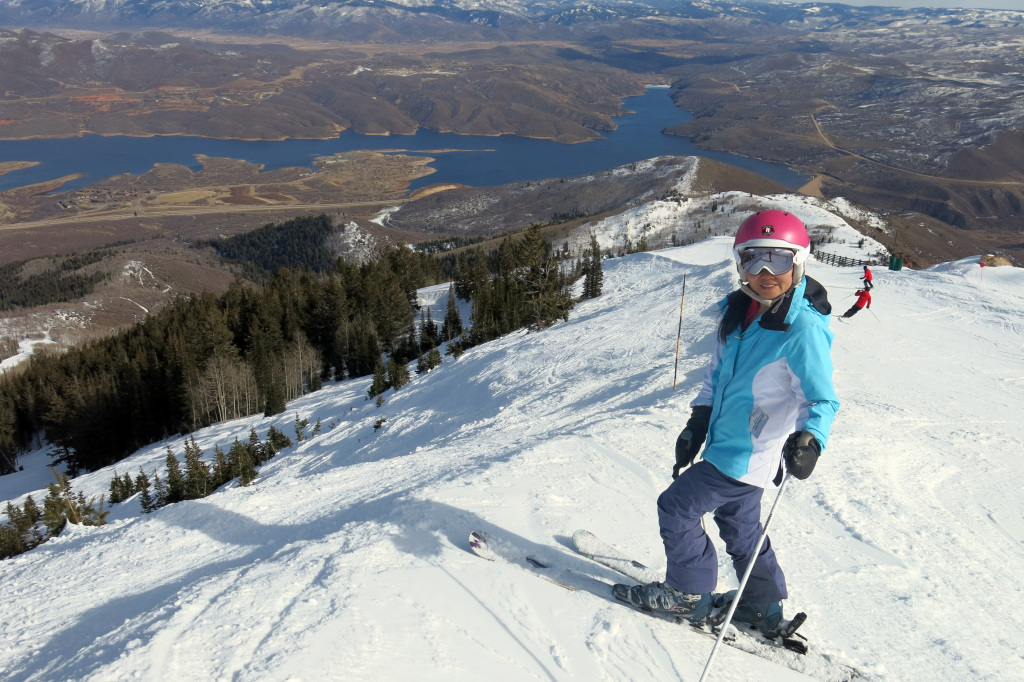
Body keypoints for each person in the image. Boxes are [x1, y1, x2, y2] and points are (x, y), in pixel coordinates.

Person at [614, 209, 840, 637]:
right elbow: (716, 376)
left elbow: (822, 398)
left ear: (799, 262)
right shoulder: (739, 312)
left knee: (676, 507)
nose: (766, 272)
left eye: (779, 259)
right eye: (754, 258)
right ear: (740, 263)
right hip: (726, 444)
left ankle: (689, 594)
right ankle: (761, 605)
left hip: (749, 452)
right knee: (740, 528)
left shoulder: (801, 328)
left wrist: (811, 440)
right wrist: (698, 421)